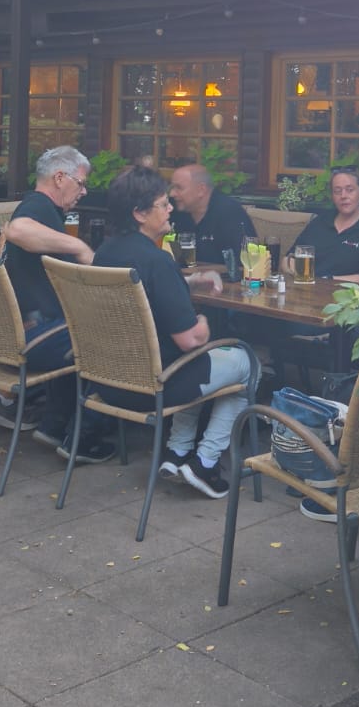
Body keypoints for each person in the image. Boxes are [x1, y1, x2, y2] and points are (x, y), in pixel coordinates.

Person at [92, 166, 251, 500]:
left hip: (108, 381)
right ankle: (206, 461)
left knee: (197, 364)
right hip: (152, 387)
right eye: (163, 204)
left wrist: (188, 282)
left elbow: (145, 290)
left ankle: (176, 453)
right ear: (139, 213)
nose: (169, 209)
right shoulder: (156, 261)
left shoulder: (106, 253)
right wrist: (203, 320)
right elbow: (191, 340)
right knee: (245, 362)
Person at [0, 146, 115, 462]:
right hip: (33, 337)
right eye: (81, 183)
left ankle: (54, 425)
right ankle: (84, 436)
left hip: (20, 331)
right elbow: (17, 229)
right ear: (60, 178)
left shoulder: (44, 209)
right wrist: (78, 246)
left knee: (77, 325)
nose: (84, 191)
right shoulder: (38, 206)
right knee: (113, 335)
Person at [284, 164, 359, 285]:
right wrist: (303, 277)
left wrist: (327, 281)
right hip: (307, 290)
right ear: (332, 196)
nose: (343, 196)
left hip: (347, 294)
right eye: (337, 191)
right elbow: (288, 260)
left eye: (350, 190)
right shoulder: (319, 223)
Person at [168, 162, 256, 264]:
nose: (172, 194)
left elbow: (247, 263)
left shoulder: (229, 213)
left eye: (179, 188)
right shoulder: (175, 210)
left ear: (201, 189)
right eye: (172, 188)